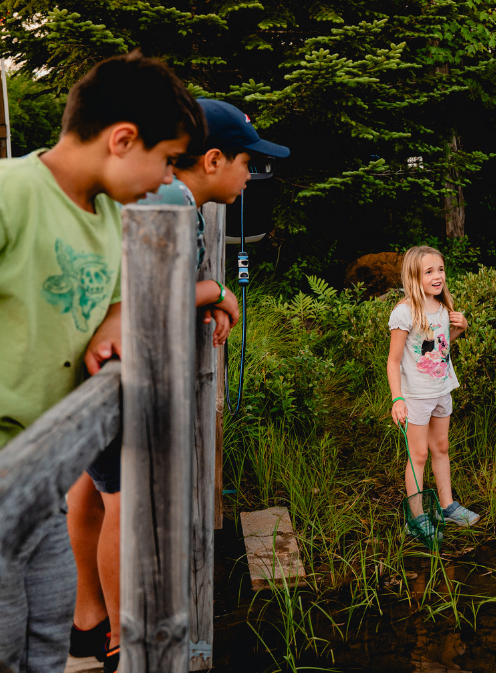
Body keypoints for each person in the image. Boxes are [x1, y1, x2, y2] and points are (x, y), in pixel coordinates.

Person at [65, 98, 289, 672]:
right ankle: (120, 640)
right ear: (212, 159)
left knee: (90, 486)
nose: (252, 175)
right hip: (119, 367)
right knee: (123, 497)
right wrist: (217, 294)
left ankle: (88, 621)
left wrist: (203, 287)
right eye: (248, 162)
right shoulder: (169, 198)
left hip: (84, 360)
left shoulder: (160, 192)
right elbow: (148, 292)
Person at [0, 51, 204, 673]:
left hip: (48, 478)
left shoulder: (113, 215)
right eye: (167, 159)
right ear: (122, 140)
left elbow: (119, 295)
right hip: (4, 471)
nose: (165, 179)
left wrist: (114, 325)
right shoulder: (13, 193)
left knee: (48, 633)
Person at [387, 245, 478, 547]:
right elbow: (394, 361)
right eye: (429, 271)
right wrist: (397, 399)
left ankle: (447, 506)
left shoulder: (442, 307)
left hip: (441, 390)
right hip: (415, 396)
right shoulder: (404, 312)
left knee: (441, 447)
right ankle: (415, 518)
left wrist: (459, 330)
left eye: (440, 269)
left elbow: (438, 350)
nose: (437, 276)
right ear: (414, 276)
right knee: (418, 456)